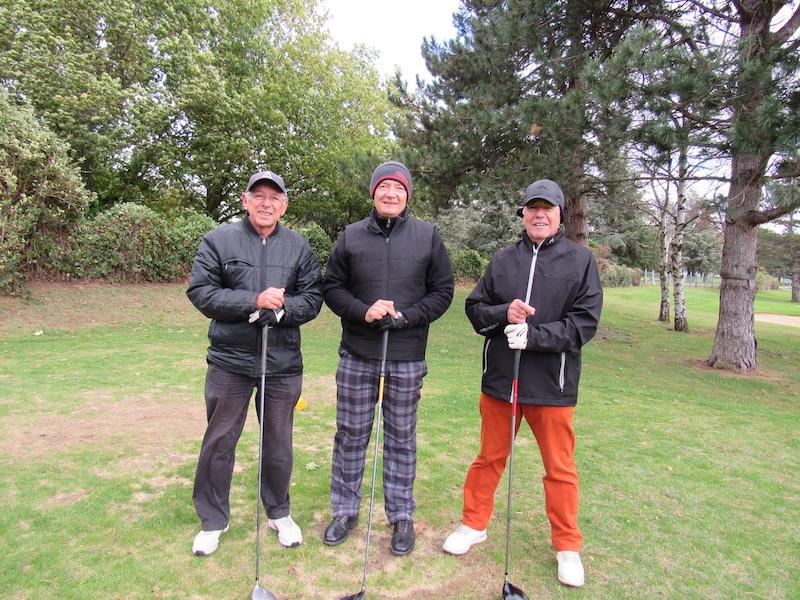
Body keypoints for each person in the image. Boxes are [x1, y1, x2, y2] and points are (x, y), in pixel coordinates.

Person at [442, 179, 602, 588]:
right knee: (489, 458)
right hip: (500, 381)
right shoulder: (503, 260)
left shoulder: (580, 261)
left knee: (560, 468)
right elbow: (475, 309)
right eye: (532, 208)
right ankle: (473, 524)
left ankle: (567, 546)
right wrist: (504, 313)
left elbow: (583, 324)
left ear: (560, 214)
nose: (539, 215)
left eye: (547, 208)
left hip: (552, 384)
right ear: (523, 214)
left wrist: (536, 336)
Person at [186, 170, 323, 556]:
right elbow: (201, 291)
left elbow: (312, 298)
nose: (266, 203)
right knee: (219, 440)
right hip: (230, 360)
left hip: (281, 362)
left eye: (274, 197)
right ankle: (213, 519)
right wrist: (252, 302)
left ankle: (279, 512)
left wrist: (281, 312)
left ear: (284, 205)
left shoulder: (299, 247)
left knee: (278, 443)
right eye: (258, 195)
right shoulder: (218, 240)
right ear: (245, 201)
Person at [322, 160, 454, 556]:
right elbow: (332, 287)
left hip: (406, 354)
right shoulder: (350, 236)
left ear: (407, 195)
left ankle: (400, 515)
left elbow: (443, 290)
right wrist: (363, 310)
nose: (391, 194)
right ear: (373, 193)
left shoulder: (428, 236)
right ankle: (344, 510)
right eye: (384, 187)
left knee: (400, 438)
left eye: (398, 188)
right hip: (358, 353)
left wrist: (409, 316)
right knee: (351, 435)